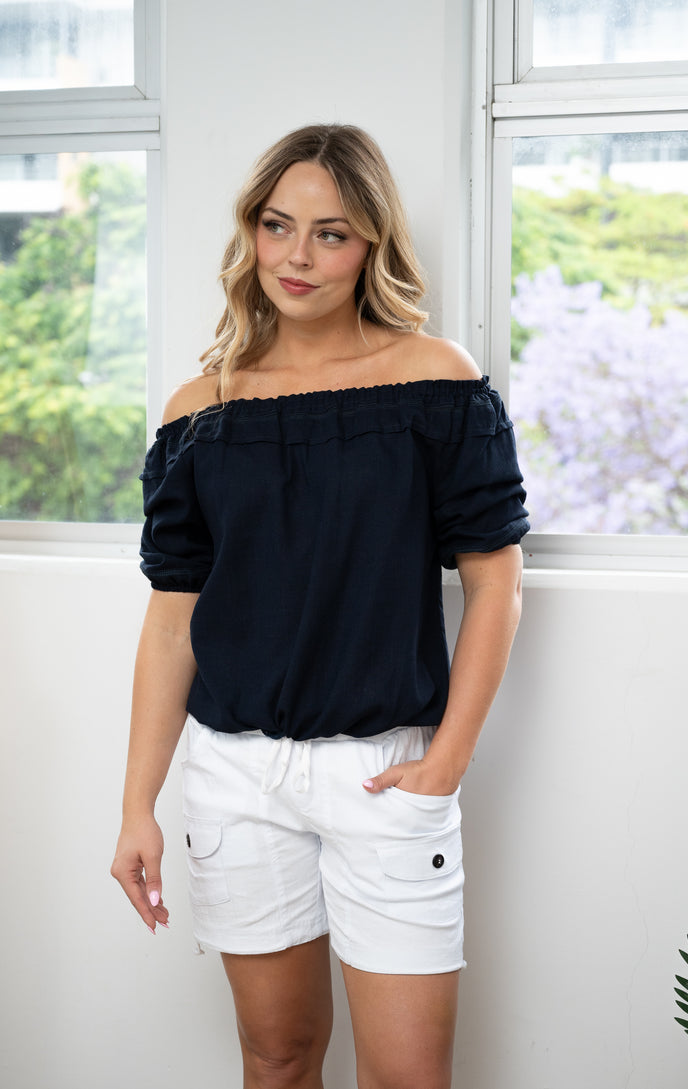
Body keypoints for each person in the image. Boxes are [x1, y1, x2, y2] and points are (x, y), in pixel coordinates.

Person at [111, 122, 529, 1089]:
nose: (297, 256)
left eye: (331, 233)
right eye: (277, 224)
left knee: (408, 1077)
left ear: (373, 243)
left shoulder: (435, 381)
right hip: (234, 780)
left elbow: (496, 578)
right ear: (250, 232)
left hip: (386, 773)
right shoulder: (195, 413)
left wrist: (448, 759)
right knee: (279, 1056)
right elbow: (173, 620)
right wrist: (138, 803)